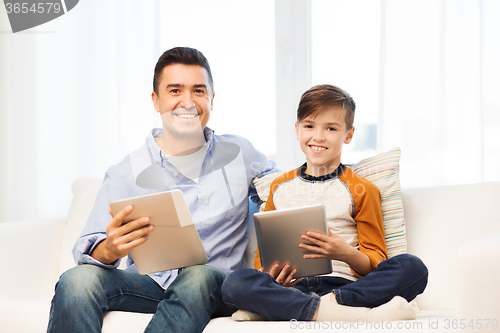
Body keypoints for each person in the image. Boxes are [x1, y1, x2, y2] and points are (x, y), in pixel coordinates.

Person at [46, 47, 277, 333]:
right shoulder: (126, 171)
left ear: (211, 100)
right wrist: (110, 248)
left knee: (197, 276)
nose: (188, 102)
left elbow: (285, 188)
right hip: (149, 285)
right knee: (76, 280)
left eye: (198, 91)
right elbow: (88, 252)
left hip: (218, 286)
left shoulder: (241, 152)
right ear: (156, 101)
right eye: (175, 90)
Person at [221, 84, 428, 323]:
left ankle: (302, 308)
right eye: (309, 126)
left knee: (412, 268)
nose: (318, 136)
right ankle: (357, 315)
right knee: (234, 283)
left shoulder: (362, 189)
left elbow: (376, 262)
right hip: (292, 288)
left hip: (346, 287)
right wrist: (275, 277)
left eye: (331, 128)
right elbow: (263, 264)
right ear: (297, 130)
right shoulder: (278, 187)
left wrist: (345, 253)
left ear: (348, 135)